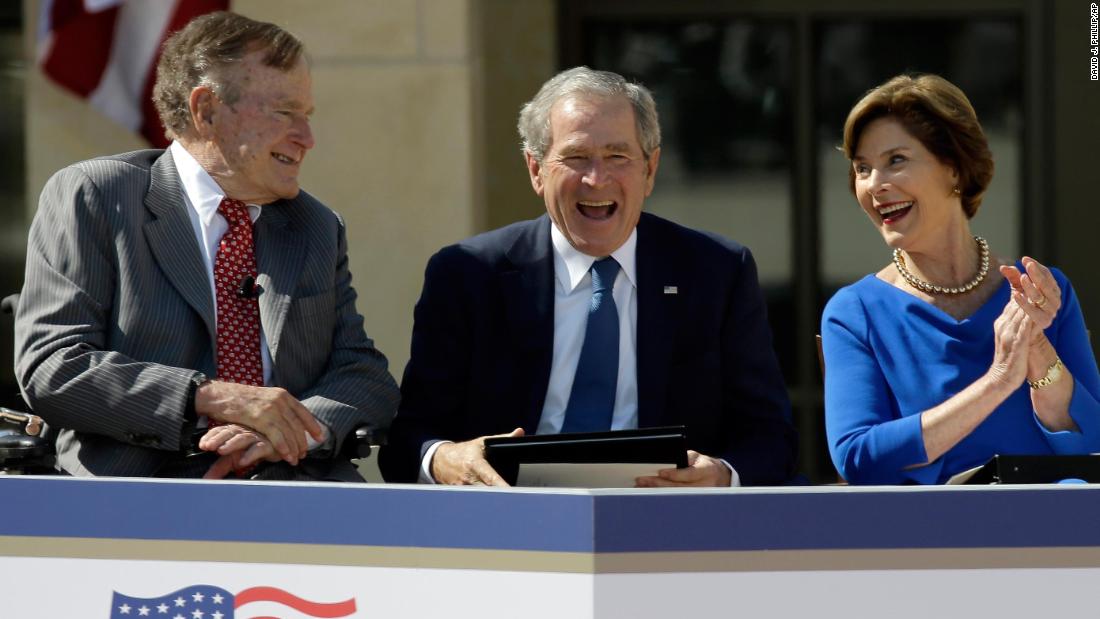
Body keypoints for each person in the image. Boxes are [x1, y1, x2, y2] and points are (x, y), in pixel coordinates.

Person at [14, 11, 399, 480]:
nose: (306, 138)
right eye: (284, 113)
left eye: (307, 115)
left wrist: (290, 430)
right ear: (207, 111)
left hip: (296, 497)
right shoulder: (98, 196)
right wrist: (215, 397)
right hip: (139, 500)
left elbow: (362, 373)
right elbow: (54, 366)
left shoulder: (314, 225)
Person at [378, 66, 796, 487]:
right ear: (536, 170)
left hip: (666, 523)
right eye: (576, 157)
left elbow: (770, 437)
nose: (597, 179)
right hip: (512, 522)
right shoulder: (468, 275)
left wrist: (721, 475)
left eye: (618, 157)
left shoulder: (716, 272)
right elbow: (409, 440)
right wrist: (446, 459)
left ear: (650, 169)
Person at [822, 73, 1100, 484]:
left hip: (1052, 535)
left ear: (953, 168)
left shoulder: (1039, 291)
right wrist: (998, 381)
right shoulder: (854, 312)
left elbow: (1092, 445)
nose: (874, 185)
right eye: (863, 169)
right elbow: (859, 457)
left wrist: (1039, 353)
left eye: (895, 160)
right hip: (934, 539)